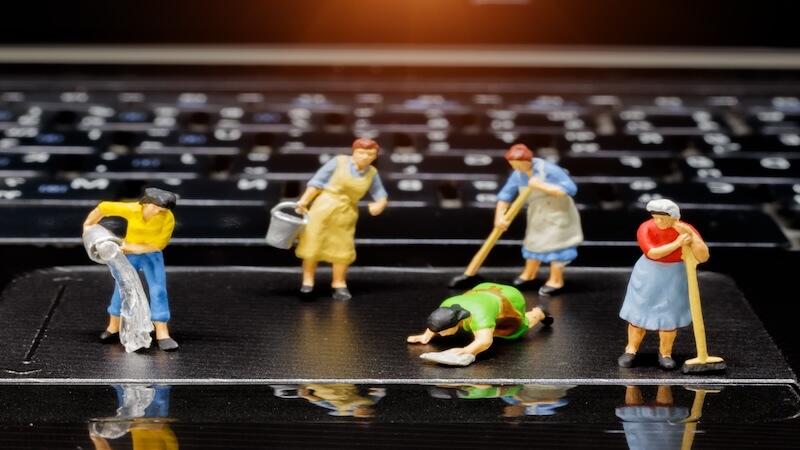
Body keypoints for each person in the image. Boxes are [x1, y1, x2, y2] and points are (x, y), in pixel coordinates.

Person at [617, 199, 709, 370]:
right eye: (655, 217)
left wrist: (692, 237)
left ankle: (665, 353)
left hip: (675, 275)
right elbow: (652, 253)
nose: (658, 221)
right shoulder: (646, 228)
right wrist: (677, 243)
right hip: (648, 273)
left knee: (669, 316)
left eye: (663, 218)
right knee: (639, 313)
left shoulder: (685, 229)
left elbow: (703, 256)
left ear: (674, 217)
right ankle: (631, 349)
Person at [83, 187, 179, 351]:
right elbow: (104, 207)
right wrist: (89, 224)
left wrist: (130, 247)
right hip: (129, 256)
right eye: (156, 208)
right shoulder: (133, 209)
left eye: (162, 210)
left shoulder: (167, 217)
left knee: (158, 291)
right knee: (121, 287)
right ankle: (113, 326)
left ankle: (162, 332)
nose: (158, 212)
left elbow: (158, 244)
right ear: (146, 203)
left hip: (151, 256)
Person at [294, 137, 388, 300]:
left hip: (346, 214)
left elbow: (380, 193)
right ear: (354, 152)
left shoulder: (372, 173)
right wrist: (304, 201)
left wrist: (380, 203)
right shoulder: (338, 162)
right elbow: (317, 183)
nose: (366, 157)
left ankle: (339, 283)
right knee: (312, 244)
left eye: (370, 154)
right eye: (361, 153)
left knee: (343, 249)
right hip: (323, 208)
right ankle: (307, 282)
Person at [494, 143, 583, 296]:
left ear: (528, 160)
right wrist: (499, 217)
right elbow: (505, 196)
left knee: (557, 245)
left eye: (519, 165)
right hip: (537, 213)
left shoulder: (549, 169)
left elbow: (570, 189)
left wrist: (543, 186)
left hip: (558, 212)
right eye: (513, 165)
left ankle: (556, 281)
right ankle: (529, 275)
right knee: (533, 242)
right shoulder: (518, 174)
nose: (517, 168)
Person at [407, 282, 552, 365]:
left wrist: (468, 351)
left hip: (508, 298)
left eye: (442, 331)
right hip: (483, 289)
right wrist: (426, 336)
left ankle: (539, 312)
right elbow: (438, 320)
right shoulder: (447, 305)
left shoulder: (480, 314)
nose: (441, 334)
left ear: (456, 322)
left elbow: (484, 341)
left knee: (513, 331)